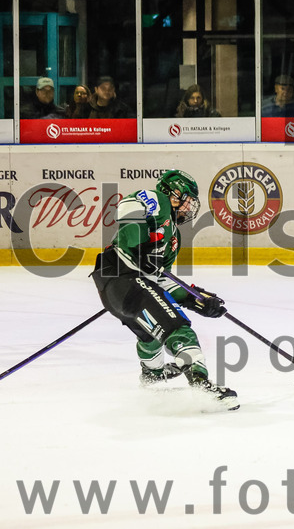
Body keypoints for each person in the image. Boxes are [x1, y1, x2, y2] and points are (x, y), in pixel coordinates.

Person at [91, 170, 237, 409]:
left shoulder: (174, 238)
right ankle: (202, 387)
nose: (189, 208)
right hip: (120, 275)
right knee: (178, 328)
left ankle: (153, 374)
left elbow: (160, 279)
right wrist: (138, 245)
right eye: (188, 200)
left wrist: (196, 300)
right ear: (174, 193)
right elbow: (128, 206)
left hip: (120, 290)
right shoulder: (158, 200)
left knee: (151, 334)